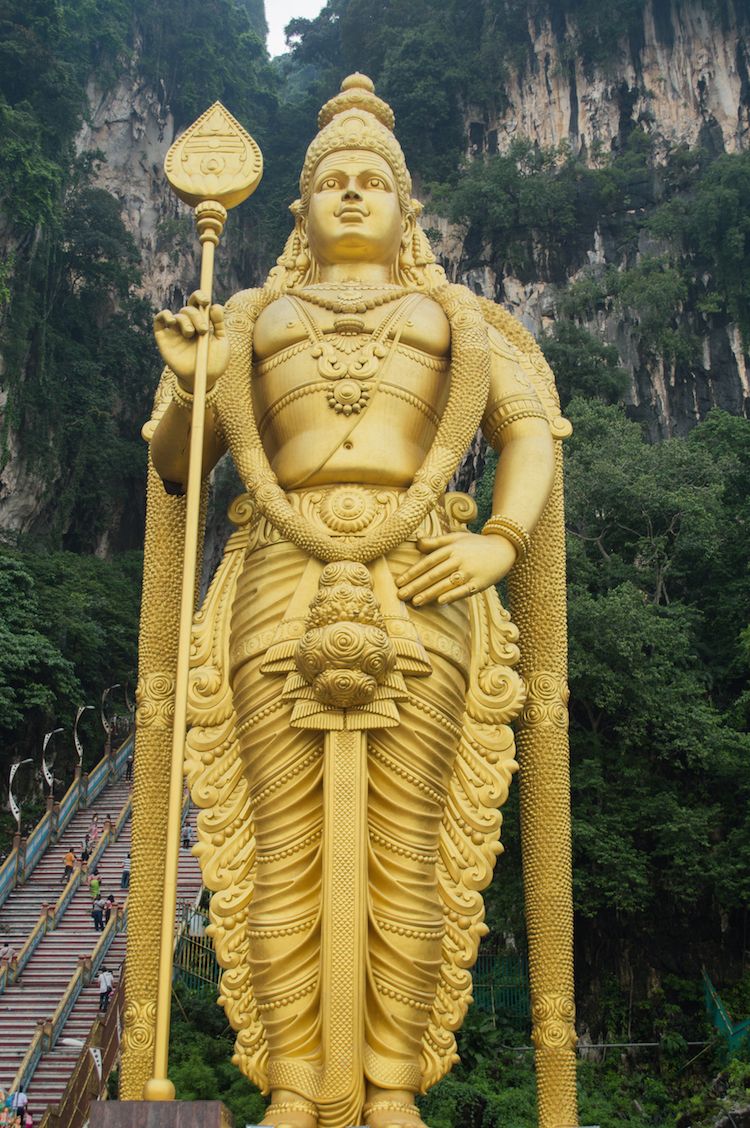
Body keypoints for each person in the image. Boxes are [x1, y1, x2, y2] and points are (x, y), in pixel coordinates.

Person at [130, 75, 571, 1127]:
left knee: (412, 848)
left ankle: (391, 1086)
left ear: (408, 210)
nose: (356, 195)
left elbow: (527, 433)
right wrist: (192, 383)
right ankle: (291, 1082)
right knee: (277, 847)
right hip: (277, 572)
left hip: (425, 571)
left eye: (377, 181)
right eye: (334, 182)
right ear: (300, 211)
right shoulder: (242, 316)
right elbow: (179, 468)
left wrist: (498, 541)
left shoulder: (456, 317)